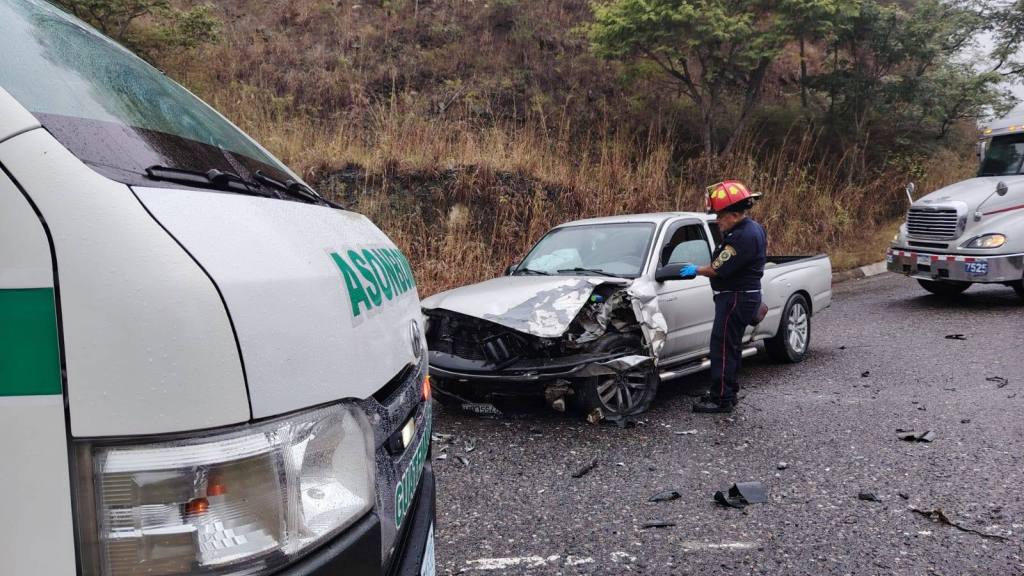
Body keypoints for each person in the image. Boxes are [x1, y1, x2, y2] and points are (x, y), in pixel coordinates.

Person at [679, 180, 767, 413]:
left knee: (722, 349)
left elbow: (716, 269)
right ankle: (729, 392)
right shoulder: (753, 228)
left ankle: (721, 399)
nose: (717, 220)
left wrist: (696, 269)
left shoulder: (740, 237)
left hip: (735, 298)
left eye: (720, 216)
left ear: (735, 215)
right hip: (743, 296)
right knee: (732, 347)